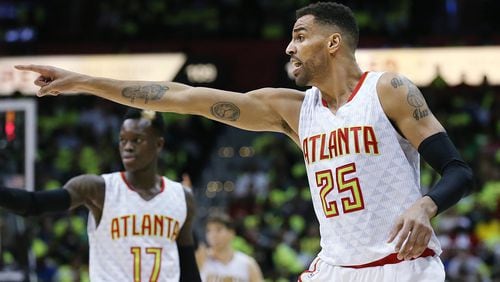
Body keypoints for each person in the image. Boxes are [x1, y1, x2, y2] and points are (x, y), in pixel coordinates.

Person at [15, 2, 474, 281]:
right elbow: (182, 96)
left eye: (299, 36)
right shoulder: (292, 109)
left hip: (402, 267)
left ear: (334, 42)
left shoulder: (387, 91)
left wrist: (425, 205)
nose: (288, 47)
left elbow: (458, 171)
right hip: (333, 269)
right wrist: (83, 81)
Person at [0, 108, 201, 282]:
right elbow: (33, 204)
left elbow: (189, 270)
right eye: (123, 140)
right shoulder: (98, 188)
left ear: (158, 144)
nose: (128, 147)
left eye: (137, 140)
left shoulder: (182, 197)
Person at [195, 212, 263, 282]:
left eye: (218, 230)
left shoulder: (247, 263)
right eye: (208, 231)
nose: (213, 235)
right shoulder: (201, 259)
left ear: (231, 233)